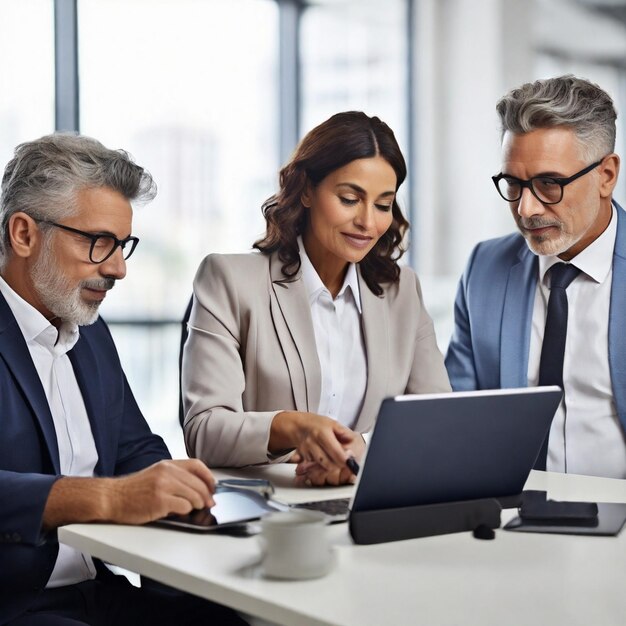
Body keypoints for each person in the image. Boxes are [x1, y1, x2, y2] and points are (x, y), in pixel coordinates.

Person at [0, 134, 247, 625]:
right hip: (18, 605)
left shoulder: (89, 331)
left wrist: (182, 490)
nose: (118, 268)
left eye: (122, 245)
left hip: (100, 589)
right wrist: (109, 498)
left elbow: (134, 449)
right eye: (98, 243)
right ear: (24, 234)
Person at [182, 111, 451, 487]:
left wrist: (363, 448)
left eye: (383, 204)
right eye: (349, 198)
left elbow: (435, 420)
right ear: (306, 189)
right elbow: (204, 431)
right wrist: (293, 427)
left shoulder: (402, 291)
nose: (368, 222)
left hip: (367, 502)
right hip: (268, 513)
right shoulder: (228, 280)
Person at [445, 75, 625, 478]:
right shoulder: (485, 269)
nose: (526, 209)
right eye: (513, 183)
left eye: (549, 183)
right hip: (507, 517)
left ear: (606, 175)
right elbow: (454, 412)